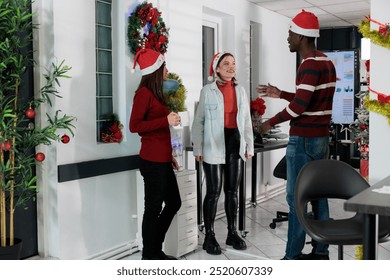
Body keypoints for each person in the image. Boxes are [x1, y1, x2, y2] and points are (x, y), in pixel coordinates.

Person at [256, 10, 336, 260]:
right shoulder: (325, 61)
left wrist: (268, 123)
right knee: (318, 195)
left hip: (303, 141)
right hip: (321, 140)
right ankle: (321, 252)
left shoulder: (309, 64)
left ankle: (292, 257)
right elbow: (309, 99)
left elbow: (300, 108)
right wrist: (281, 94)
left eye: (290, 34)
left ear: (302, 36)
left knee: (296, 199)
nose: (288, 38)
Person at [192, 52, 254, 255]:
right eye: (226, 63)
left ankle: (231, 232)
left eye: (233, 63)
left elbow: (246, 121)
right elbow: (199, 121)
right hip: (213, 144)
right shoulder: (207, 91)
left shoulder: (240, 91)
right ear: (216, 68)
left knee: (232, 191)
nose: (231, 67)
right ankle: (209, 236)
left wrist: (249, 146)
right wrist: (198, 148)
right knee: (213, 191)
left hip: (235, 143)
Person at [129, 48, 182, 260]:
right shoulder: (143, 94)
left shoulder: (156, 94)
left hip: (162, 160)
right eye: (164, 66)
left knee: (173, 203)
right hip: (152, 161)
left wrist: (170, 155)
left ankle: (152, 249)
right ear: (155, 70)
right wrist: (165, 120)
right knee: (153, 209)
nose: (167, 70)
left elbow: (160, 131)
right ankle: (150, 254)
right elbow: (135, 126)